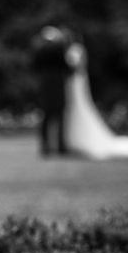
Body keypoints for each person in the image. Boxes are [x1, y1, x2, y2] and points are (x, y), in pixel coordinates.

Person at [32, 26, 75, 156]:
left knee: (46, 116)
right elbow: (67, 68)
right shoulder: (59, 49)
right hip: (57, 83)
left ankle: (45, 146)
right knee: (60, 115)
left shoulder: (40, 50)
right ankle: (61, 146)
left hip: (45, 85)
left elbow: (35, 66)